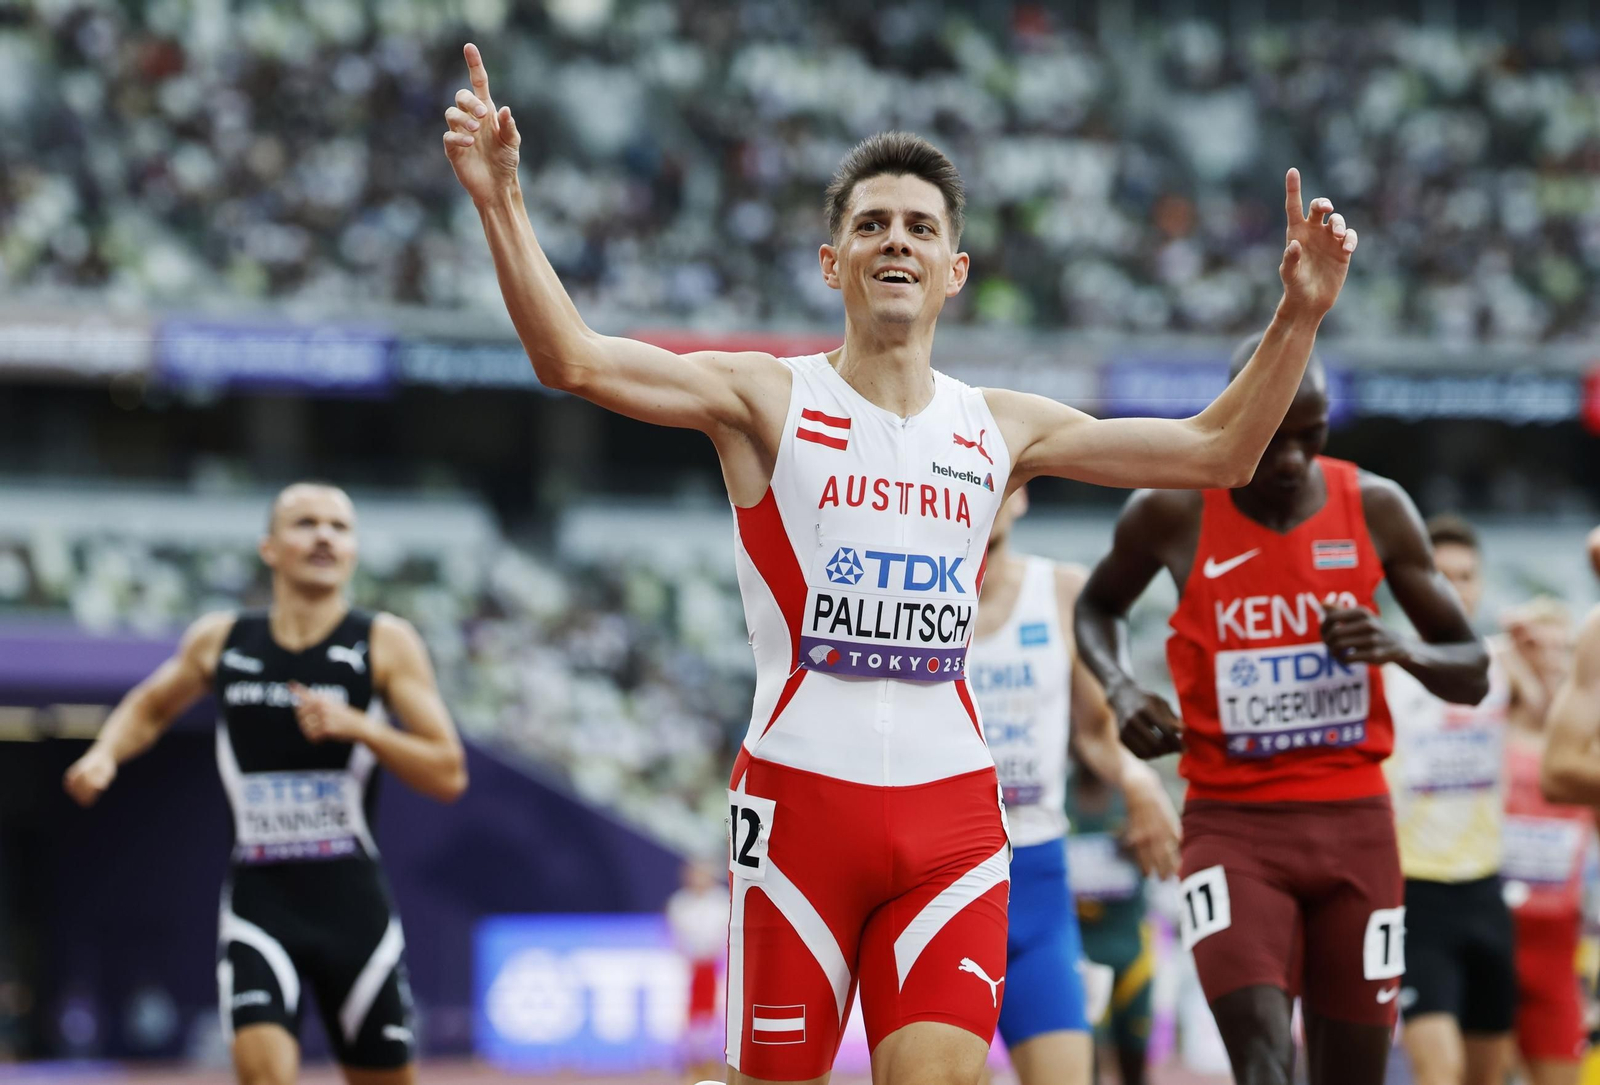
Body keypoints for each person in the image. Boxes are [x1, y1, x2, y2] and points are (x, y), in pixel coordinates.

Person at [442, 41, 1358, 1085]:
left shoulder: (1000, 426)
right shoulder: (763, 397)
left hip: (952, 814)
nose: (896, 240)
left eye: (920, 227)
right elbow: (575, 358)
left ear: (953, 270)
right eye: (870, 223)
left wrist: (1298, 314)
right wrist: (501, 202)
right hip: (797, 810)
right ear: (831, 261)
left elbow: (1216, 451)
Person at [1075, 338, 1489, 1085]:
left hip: (1355, 831)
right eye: (1274, 435)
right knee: (1263, 1060)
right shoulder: (1172, 507)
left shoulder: (1376, 505)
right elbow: (1099, 604)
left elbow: (1473, 670)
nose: (1294, 456)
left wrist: (1395, 646)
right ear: (1238, 416)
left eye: (1314, 432)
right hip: (1232, 827)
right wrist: (1120, 685)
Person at [62, 483, 467, 1085]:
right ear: (270, 548)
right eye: (306, 523)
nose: (325, 536)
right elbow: (149, 707)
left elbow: (448, 771)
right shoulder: (222, 641)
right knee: (263, 1077)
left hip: (354, 909)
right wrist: (104, 755)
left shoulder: (383, 642)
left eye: (340, 526)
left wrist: (361, 727)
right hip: (261, 904)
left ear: (354, 551)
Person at [967, 488, 1179, 1085]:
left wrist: (1140, 782)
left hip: (1037, 873)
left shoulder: (1060, 591)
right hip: (944, 876)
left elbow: (1094, 735)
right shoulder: (910, 596)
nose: (978, 500)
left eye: (995, 485)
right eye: (964, 483)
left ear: (1021, 498)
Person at [1383, 515, 1522, 1085]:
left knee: (1489, 1074)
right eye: (1439, 576)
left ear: (1481, 585)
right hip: (1416, 893)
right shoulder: (1389, 670)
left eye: (1466, 576)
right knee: (1440, 1072)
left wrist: (1535, 636)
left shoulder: (1505, 665)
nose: (1454, 589)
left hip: (1487, 889)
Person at [1502, 599, 1594, 1085]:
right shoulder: (1489, 721)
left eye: (1566, 649)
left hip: (1556, 937)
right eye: (1542, 647)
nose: (1554, 659)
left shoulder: (1586, 746)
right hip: (1492, 925)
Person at [1065, 762, 1157, 1085]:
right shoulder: (1057, 796)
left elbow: (1166, 861)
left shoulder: (1136, 795)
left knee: (1135, 1065)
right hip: (1080, 949)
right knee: (1084, 1063)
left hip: (1130, 947)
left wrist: (1142, 845)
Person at [668, 859, 732, 1084]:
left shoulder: (723, 902)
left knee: (719, 1018)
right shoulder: (680, 903)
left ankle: (717, 1065)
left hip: (720, 968)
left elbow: (728, 935)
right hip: (691, 968)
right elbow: (676, 937)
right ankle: (691, 1064)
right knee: (690, 1019)